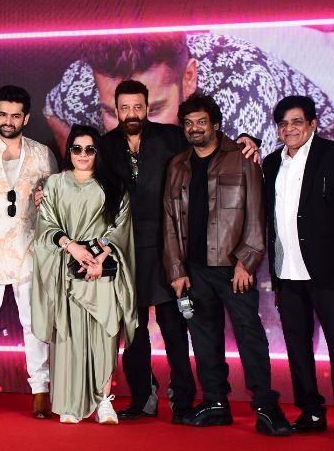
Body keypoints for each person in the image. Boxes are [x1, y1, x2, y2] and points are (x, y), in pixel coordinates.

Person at [162, 94, 290, 436]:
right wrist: (176, 270)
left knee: (250, 334)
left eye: (201, 122)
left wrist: (247, 262)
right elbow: (170, 222)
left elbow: (257, 214)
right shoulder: (177, 165)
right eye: (189, 123)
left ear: (216, 125)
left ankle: (266, 406)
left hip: (234, 269)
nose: (195, 129)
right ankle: (216, 403)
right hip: (194, 270)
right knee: (204, 337)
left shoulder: (242, 158)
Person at [44, 32, 334, 156]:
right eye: (114, 112)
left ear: (188, 79)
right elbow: (53, 112)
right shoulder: (81, 84)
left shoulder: (242, 91)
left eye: (154, 109)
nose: (135, 124)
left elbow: (239, 201)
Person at [262, 95, 334, 441]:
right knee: (297, 346)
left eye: (296, 122)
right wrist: (275, 276)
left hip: (330, 270)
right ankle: (312, 411)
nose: (289, 129)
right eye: (283, 124)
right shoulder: (272, 163)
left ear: (312, 124)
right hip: (287, 271)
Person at [99, 80, 197, 422]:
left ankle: (183, 400)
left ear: (146, 106)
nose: (131, 114)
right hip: (124, 251)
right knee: (133, 333)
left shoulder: (172, 138)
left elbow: (209, 149)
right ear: (116, 109)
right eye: (125, 108)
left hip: (167, 248)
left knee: (174, 329)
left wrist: (246, 141)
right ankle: (143, 398)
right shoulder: (104, 146)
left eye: (137, 107)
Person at [0, 85, 57, 418]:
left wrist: (45, 200)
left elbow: (55, 204)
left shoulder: (43, 154)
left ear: (26, 118)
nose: (8, 121)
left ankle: (41, 390)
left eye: (15, 116)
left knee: (34, 324)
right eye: (3, 114)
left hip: (30, 252)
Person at [32, 124, 136, 424]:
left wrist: (101, 256)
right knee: (70, 337)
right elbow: (45, 225)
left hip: (101, 272)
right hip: (67, 270)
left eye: (90, 149)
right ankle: (69, 402)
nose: (83, 154)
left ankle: (104, 402)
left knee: (104, 337)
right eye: (77, 148)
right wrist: (72, 247)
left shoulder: (113, 185)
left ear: (97, 152)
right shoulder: (55, 184)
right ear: (69, 151)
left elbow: (121, 227)